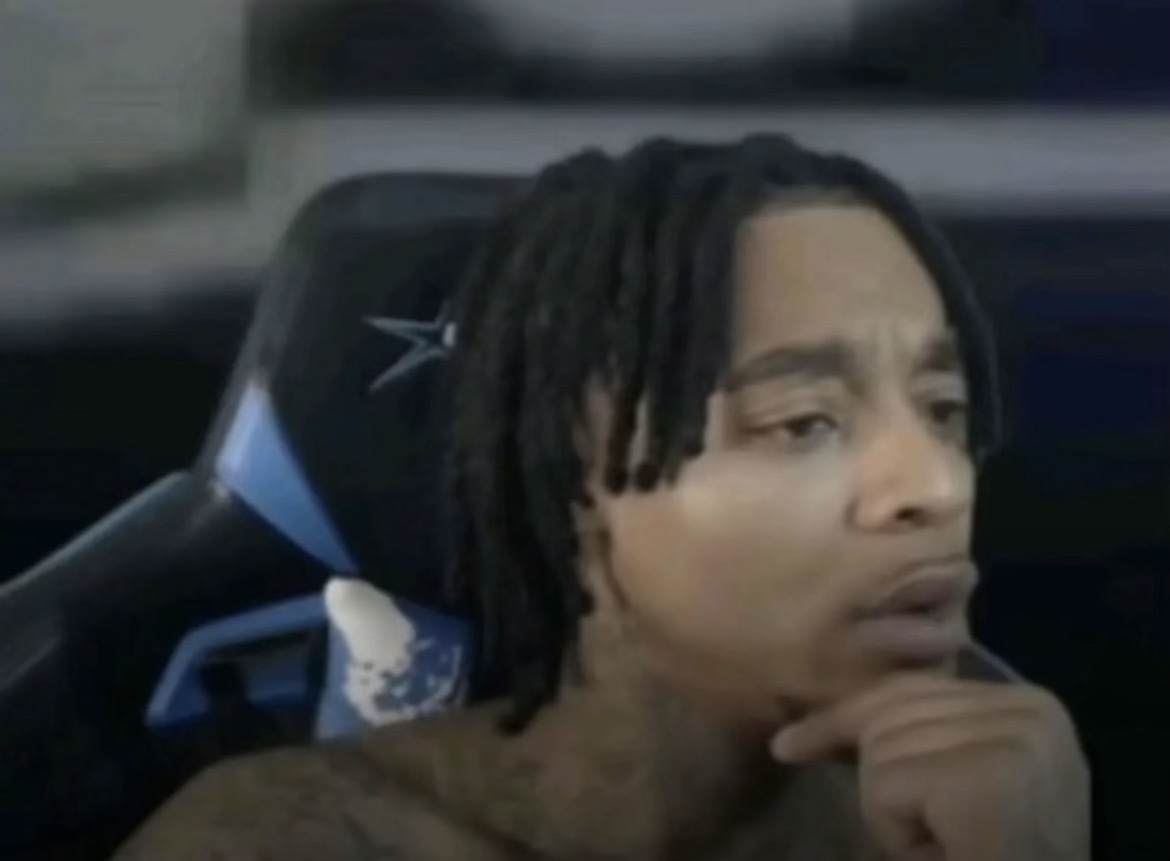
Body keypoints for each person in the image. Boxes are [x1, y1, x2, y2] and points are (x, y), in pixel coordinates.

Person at [111, 136, 1090, 861]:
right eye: (803, 422)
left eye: (945, 410)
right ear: (580, 474)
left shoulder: (982, 814)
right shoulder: (294, 843)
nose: (935, 484)